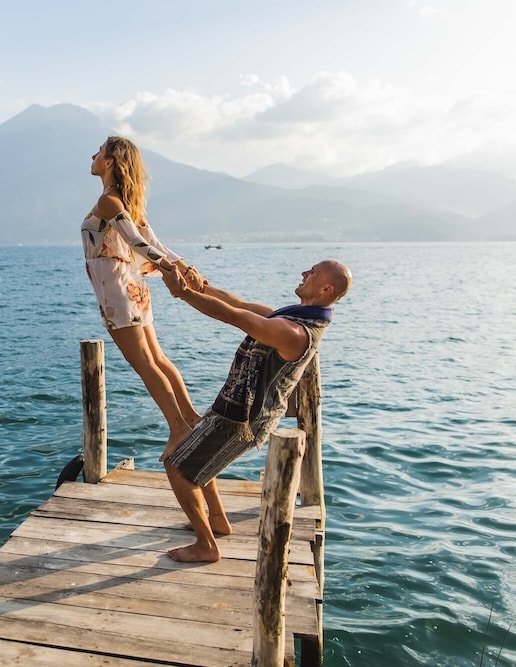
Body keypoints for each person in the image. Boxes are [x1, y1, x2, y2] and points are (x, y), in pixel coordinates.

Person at [159, 259, 352, 562]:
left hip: (245, 420)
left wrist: (183, 293)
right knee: (196, 459)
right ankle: (218, 520)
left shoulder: (296, 332)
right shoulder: (294, 316)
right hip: (233, 409)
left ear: (326, 288)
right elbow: (239, 304)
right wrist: (202, 287)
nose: (304, 272)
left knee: (177, 467)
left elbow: (234, 316)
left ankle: (206, 545)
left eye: (312, 272)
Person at [81, 136, 205, 452]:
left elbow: (139, 243)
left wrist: (172, 267)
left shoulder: (110, 202)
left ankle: (179, 428)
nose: (93, 155)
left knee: (146, 364)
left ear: (109, 162)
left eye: (99, 152)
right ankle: (191, 418)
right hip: (133, 287)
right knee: (157, 358)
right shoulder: (125, 202)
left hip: (117, 291)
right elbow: (153, 244)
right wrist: (180, 266)